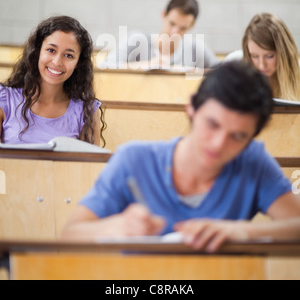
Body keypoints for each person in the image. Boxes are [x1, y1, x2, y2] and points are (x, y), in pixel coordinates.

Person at [61, 61, 300, 251]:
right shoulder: (133, 160)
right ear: (192, 108)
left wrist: (242, 232)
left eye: (237, 136)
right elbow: (70, 235)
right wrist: (117, 227)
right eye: (212, 124)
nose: (218, 144)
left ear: (251, 138)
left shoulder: (253, 162)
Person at [0, 15, 106, 146]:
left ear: (78, 62)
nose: (57, 62)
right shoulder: (4, 99)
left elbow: (90, 166)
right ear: (38, 51)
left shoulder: (86, 111)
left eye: (69, 55)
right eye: (51, 50)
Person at [100, 0, 219, 70]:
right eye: (172, 24)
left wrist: (197, 72)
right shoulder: (136, 40)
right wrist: (148, 64)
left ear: (192, 25)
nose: (174, 33)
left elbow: (223, 71)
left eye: (183, 28)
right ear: (163, 15)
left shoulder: (195, 48)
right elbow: (104, 67)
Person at [225, 13, 300, 101]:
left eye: (269, 56)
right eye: (254, 56)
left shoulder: (298, 71)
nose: (261, 65)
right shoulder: (234, 63)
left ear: (284, 54)